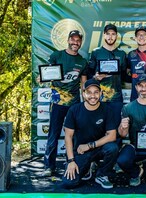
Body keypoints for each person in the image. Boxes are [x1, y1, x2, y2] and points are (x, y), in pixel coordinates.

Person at [43, 30, 88, 176]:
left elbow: (84, 83)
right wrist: (42, 77)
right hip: (57, 102)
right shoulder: (57, 55)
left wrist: (87, 99)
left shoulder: (82, 61)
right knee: (53, 134)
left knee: (76, 135)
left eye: (78, 40)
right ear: (68, 40)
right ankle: (49, 166)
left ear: (81, 42)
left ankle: (75, 163)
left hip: (74, 103)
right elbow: (47, 72)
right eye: (73, 39)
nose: (75, 42)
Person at [62, 78, 119, 189]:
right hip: (80, 150)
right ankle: (88, 166)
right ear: (83, 94)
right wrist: (71, 161)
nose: (93, 96)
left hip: (99, 148)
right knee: (69, 183)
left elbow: (112, 135)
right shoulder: (74, 110)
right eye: (89, 92)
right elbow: (68, 137)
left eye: (96, 92)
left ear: (101, 93)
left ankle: (102, 174)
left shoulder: (107, 110)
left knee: (113, 148)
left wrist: (89, 145)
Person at [88, 24, 127, 127]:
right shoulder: (96, 52)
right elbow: (89, 74)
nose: (110, 37)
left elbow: (124, 75)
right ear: (104, 35)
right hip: (99, 98)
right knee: (98, 128)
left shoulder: (122, 54)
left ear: (116, 36)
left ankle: (115, 143)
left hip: (116, 99)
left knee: (116, 127)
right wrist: (95, 77)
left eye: (113, 34)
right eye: (108, 34)